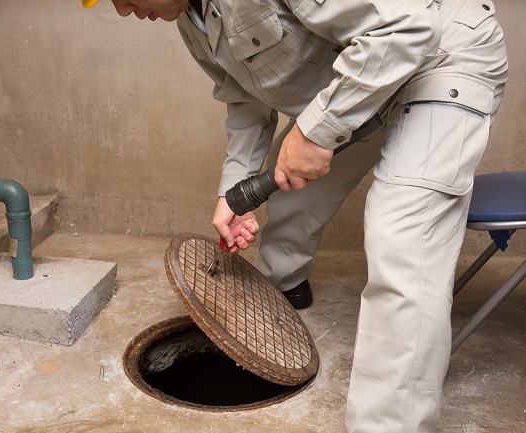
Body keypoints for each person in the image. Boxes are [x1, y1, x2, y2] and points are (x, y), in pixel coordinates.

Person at [83, 0, 509, 431]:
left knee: (402, 241)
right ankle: (283, 290)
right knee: (289, 194)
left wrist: (314, 131)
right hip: (364, 83)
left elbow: (407, 29)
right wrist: (237, 193)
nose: (121, 10)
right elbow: (245, 101)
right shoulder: (191, 20)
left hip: (440, 57)